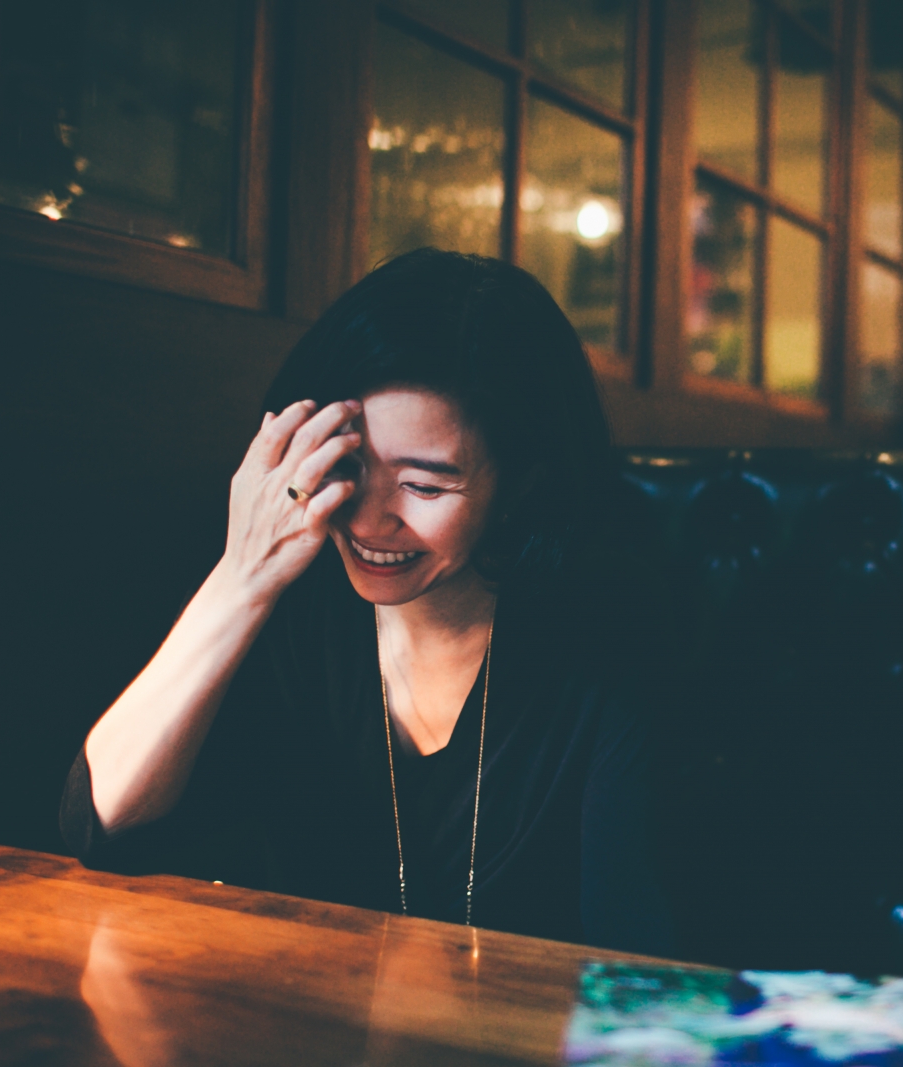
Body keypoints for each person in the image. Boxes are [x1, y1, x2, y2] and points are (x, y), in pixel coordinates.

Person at [60, 249, 673, 955]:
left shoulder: (606, 636)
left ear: (523, 484)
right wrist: (241, 576)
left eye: (424, 485)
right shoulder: (293, 609)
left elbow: (636, 932)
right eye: (347, 466)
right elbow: (101, 823)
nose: (367, 521)